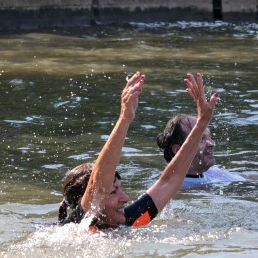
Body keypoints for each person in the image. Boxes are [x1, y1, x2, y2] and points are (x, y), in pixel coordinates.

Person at [58, 72, 219, 230]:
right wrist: (124, 118)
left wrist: (201, 123)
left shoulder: (129, 220)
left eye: (120, 189)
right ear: (85, 199)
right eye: (113, 192)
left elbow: (169, 181)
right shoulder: (79, 225)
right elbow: (98, 184)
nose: (125, 198)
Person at [156, 113, 244, 188]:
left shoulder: (213, 173)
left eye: (209, 137)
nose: (211, 144)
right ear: (178, 150)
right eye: (201, 139)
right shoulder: (172, 189)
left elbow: (249, 182)